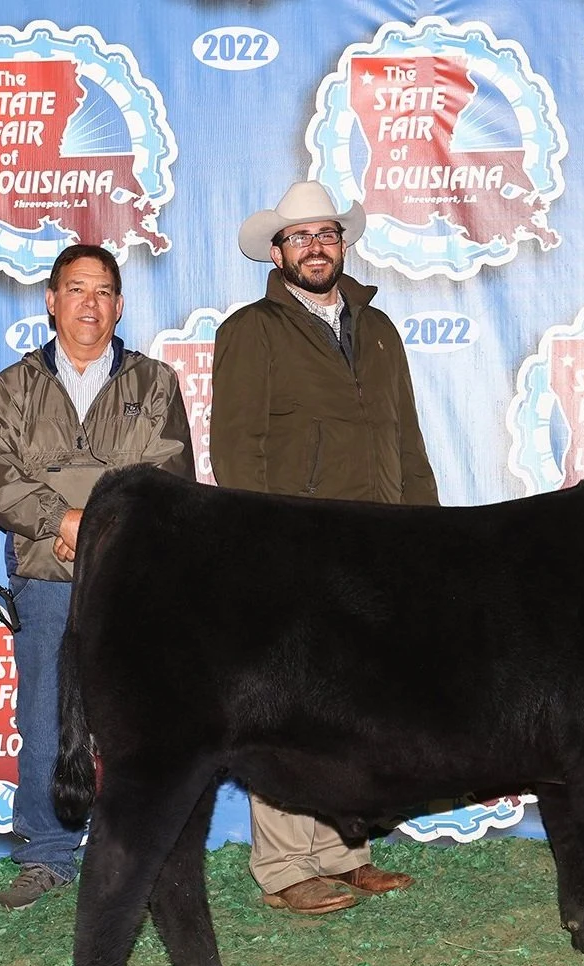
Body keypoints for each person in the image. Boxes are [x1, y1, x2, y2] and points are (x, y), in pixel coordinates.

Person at [211, 180, 438, 915]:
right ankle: (283, 866)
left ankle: (344, 851)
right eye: (299, 236)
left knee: (357, 705)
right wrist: (267, 549)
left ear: (344, 244)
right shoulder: (252, 329)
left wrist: (422, 538)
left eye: (327, 234)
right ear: (277, 253)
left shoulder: (378, 329)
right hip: (296, 551)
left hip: (377, 548)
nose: (315, 246)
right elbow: (234, 449)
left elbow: (406, 441)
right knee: (288, 708)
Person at [0, 244, 194, 910]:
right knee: (42, 711)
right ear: (51, 300)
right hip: (44, 572)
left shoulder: (154, 382)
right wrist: (58, 520)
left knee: (136, 720)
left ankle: (136, 850)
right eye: (75, 290)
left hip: (131, 579)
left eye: (102, 292)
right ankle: (45, 853)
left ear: (119, 305)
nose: (89, 304)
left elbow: (167, 475)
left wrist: (91, 523)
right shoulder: (14, 386)